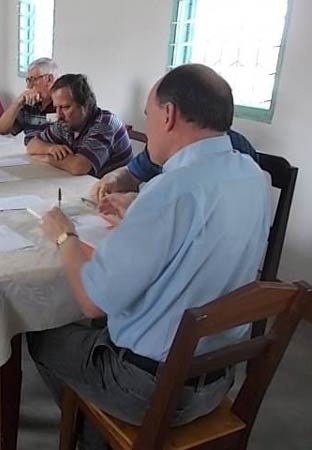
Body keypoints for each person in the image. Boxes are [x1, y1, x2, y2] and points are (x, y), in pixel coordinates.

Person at [27, 64, 271, 450]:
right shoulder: (253, 176)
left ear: (168, 114)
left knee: (42, 336)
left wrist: (64, 235)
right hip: (219, 377)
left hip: (152, 389)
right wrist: (139, 215)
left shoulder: (171, 189)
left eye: (148, 114)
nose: (148, 125)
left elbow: (93, 300)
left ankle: (92, 437)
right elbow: (200, 240)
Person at [91, 128, 259, 219]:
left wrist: (140, 204)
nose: (149, 130)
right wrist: (114, 178)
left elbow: (204, 215)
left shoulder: (237, 151)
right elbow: (133, 172)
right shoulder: (165, 144)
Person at [26, 74, 132, 177]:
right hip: (85, 183)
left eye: (65, 107)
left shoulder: (105, 124)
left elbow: (79, 166)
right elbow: (31, 145)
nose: (58, 115)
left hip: (114, 187)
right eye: (56, 107)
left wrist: (47, 158)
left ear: (85, 105)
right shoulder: (65, 123)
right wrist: (50, 149)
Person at [0, 57, 58, 144]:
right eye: (28, 80)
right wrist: (17, 103)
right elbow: (1, 130)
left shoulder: (62, 106)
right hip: (31, 151)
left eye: (33, 80)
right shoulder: (29, 103)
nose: (28, 86)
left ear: (49, 79)